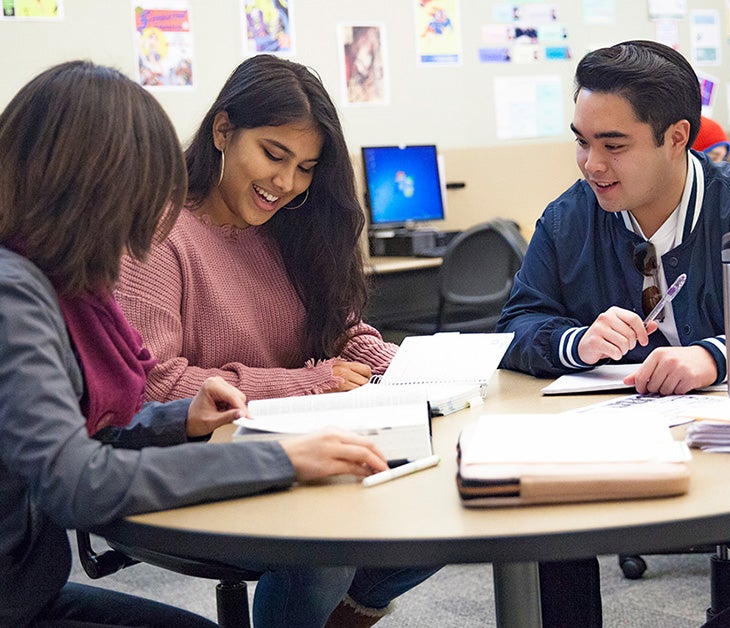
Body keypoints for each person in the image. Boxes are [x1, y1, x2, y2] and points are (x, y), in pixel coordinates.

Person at [0, 60, 392, 628]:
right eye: (136, 191)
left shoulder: (42, 281)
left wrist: (180, 417)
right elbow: (75, 479)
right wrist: (278, 458)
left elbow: (84, 428)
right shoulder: (14, 293)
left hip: (28, 592)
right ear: (81, 186)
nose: (141, 217)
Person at [496, 40, 730, 624]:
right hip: (609, 443)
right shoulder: (568, 219)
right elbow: (518, 325)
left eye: (614, 146)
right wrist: (575, 342)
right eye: (581, 141)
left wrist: (716, 355)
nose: (591, 164)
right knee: (544, 529)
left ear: (677, 136)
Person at [115, 54, 437, 627]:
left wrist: (413, 370)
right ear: (223, 130)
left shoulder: (292, 228)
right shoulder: (159, 233)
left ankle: (346, 613)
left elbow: (344, 335)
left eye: (306, 167)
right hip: (196, 466)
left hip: (296, 449)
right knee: (333, 532)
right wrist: (308, 384)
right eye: (273, 154)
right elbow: (153, 387)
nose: (285, 184)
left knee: (438, 495)